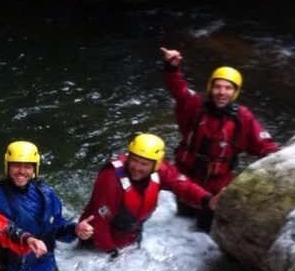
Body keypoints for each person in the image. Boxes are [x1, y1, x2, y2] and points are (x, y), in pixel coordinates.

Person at [160, 47, 279, 230]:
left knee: (204, 228)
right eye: (217, 86)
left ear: (235, 92)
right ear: (210, 88)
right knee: (182, 219)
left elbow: (263, 143)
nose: (222, 92)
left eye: (228, 88)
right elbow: (179, 90)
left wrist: (276, 157)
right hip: (187, 176)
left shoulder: (243, 117)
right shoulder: (196, 105)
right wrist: (172, 68)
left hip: (216, 183)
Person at [0, 141, 94, 271]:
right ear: (8, 167)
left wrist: (75, 230)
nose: (21, 171)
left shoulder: (46, 195)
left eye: (27, 166)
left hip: (46, 269)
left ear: (34, 169)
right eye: (16, 165)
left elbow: (57, 229)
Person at [79, 133, 213, 254]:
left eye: (144, 164)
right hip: (97, 245)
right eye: (134, 160)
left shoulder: (160, 170)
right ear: (128, 156)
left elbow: (182, 185)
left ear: (155, 165)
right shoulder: (111, 179)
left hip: (130, 237)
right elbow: (99, 223)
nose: (137, 167)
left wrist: (207, 199)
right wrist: (112, 253)